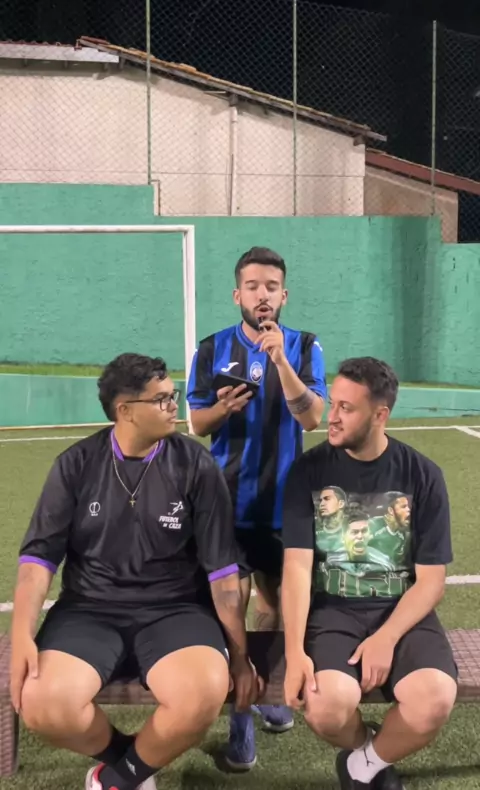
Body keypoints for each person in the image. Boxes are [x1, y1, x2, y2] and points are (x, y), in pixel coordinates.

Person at [10, 353, 261, 790]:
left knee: (203, 693)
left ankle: (119, 778)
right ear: (125, 410)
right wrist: (21, 638)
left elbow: (223, 575)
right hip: (89, 610)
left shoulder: (196, 465)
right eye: (161, 399)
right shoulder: (76, 464)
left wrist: (240, 658)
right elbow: (38, 561)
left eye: (172, 395)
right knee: (42, 705)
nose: (173, 406)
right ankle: (131, 761)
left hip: (176, 609)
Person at [281, 357, 457, 790]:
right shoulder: (308, 471)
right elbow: (297, 567)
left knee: (434, 698)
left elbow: (431, 581)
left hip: (401, 609)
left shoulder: (423, 475)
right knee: (325, 708)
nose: (332, 416)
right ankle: (370, 751)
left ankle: (363, 765)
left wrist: (387, 637)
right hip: (333, 611)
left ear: (380, 415)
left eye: (346, 408)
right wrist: (294, 652)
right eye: (333, 403)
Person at [186, 246, 327, 770]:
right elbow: (196, 424)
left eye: (271, 286)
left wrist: (280, 361)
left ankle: (271, 694)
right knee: (233, 610)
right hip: (227, 502)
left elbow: (312, 418)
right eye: (252, 286)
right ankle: (241, 720)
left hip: (286, 502)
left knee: (277, 605)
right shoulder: (211, 348)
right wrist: (223, 408)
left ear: (283, 295)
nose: (262, 295)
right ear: (237, 294)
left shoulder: (305, 346)